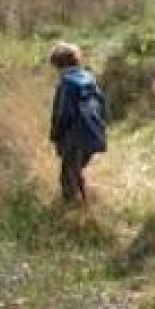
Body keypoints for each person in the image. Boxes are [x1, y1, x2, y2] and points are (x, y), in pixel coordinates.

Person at [47, 42, 107, 205]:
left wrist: (55, 134)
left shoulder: (66, 84)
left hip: (74, 137)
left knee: (67, 178)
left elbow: (63, 113)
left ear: (58, 65)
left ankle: (73, 212)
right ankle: (85, 203)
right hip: (94, 134)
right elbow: (101, 105)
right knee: (76, 171)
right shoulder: (90, 79)